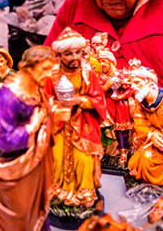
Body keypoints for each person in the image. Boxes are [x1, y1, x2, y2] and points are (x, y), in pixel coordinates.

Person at [0, 46, 57, 231]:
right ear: (29, 68)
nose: (49, 75)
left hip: (30, 164)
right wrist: (33, 126)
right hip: (9, 170)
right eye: (45, 69)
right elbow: (5, 141)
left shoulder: (36, 88)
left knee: (33, 217)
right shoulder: (7, 99)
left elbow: (44, 112)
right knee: (17, 221)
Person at [50, 27, 107, 206]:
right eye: (68, 53)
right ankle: (59, 190)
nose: (74, 57)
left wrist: (79, 100)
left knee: (84, 157)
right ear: (60, 54)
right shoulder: (52, 74)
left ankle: (85, 191)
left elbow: (98, 99)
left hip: (83, 123)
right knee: (55, 155)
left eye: (77, 52)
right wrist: (57, 107)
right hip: (58, 124)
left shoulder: (87, 72)